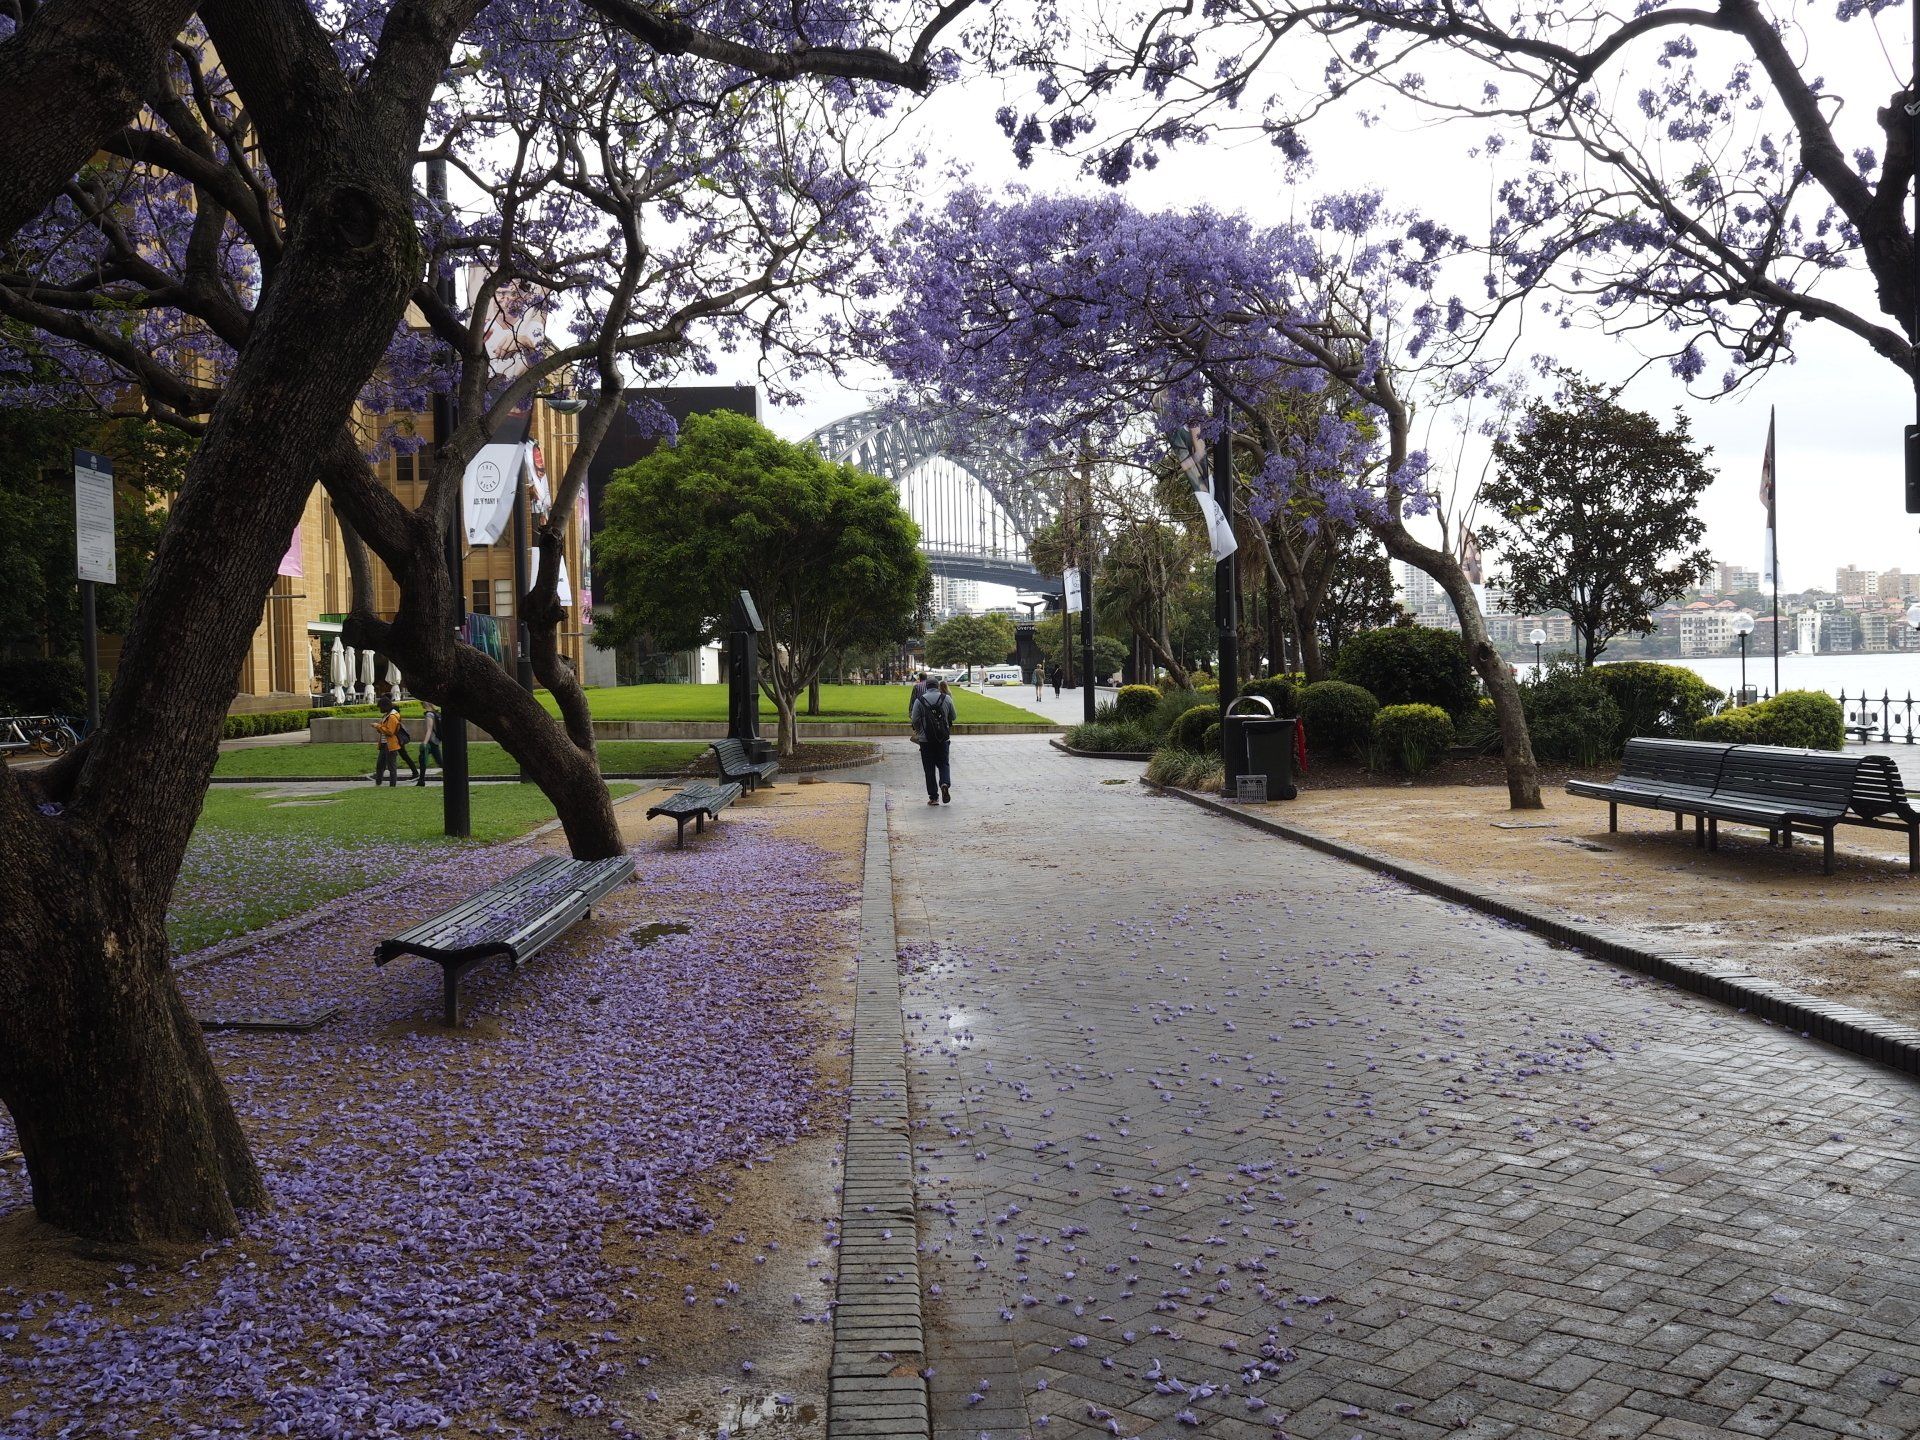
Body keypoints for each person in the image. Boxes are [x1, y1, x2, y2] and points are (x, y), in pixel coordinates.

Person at [910, 678, 956, 806]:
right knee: (943, 764)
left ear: (926, 687)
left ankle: (933, 797)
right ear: (937, 686)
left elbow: (914, 719)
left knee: (929, 768)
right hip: (943, 738)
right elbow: (954, 716)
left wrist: (920, 731)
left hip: (926, 740)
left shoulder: (920, 701)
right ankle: (945, 783)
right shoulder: (946, 698)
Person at [371, 698, 417, 786]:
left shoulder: (392, 716)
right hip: (385, 744)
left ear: (385, 706)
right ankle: (378, 782)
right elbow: (384, 729)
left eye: (381, 707)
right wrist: (379, 727)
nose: (380, 709)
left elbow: (390, 732)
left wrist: (378, 726)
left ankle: (392, 785)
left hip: (391, 744)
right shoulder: (386, 716)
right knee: (380, 765)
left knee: (391, 766)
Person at [413, 701, 442, 785]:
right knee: (422, 759)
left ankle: (453, 775)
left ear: (426, 704)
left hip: (431, 741)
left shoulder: (429, 715)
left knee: (439, 762)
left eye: (422, 703)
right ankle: (421, 781)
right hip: (433, 741)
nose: (421, 705)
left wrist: (425, 742)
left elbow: (429, 729)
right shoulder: (434, 713)